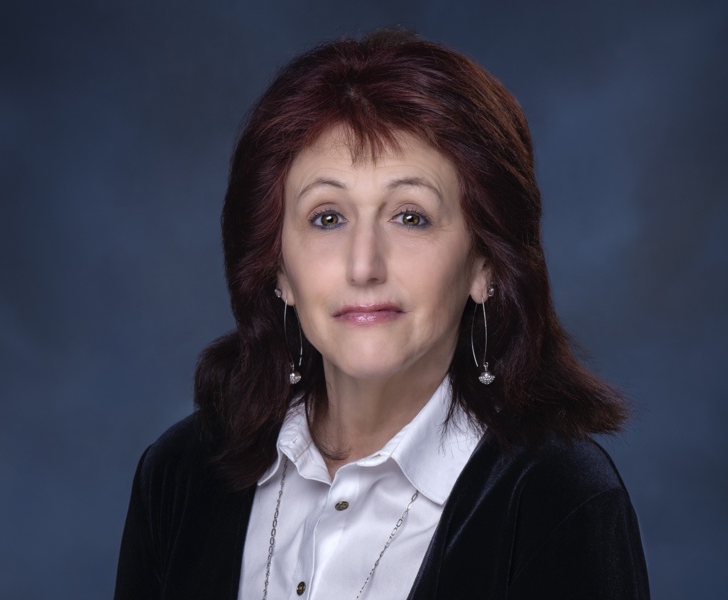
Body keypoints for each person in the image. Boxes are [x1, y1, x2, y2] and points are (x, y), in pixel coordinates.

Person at [114, 29, 650, 600]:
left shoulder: (559, 499)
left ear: (486, 264)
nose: (364, 265)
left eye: (410, 217)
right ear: (278, 269)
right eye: (327, 218)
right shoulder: (180, 474)